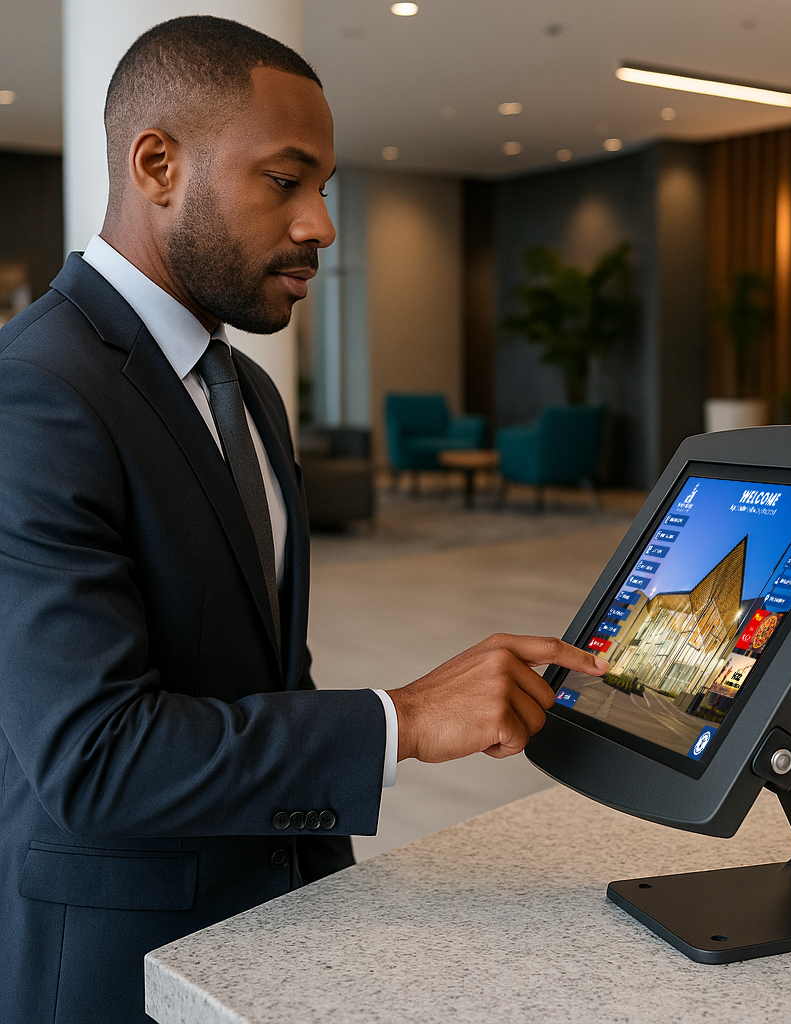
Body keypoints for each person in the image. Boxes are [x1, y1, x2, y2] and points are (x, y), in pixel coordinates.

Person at [0, 17, 607, 1024]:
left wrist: (334, 895)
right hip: (117, 970)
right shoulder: (35, 393)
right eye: (285, 182)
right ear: (157, 164)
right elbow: (96, 758)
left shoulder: (246, 391)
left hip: (281, 937)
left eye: (323, 187)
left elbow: (264, 675)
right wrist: (403, 719)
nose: (321, 224)